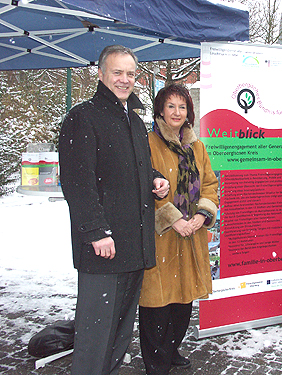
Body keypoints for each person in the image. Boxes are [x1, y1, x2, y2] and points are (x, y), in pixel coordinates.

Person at [58, 45, 169, 375]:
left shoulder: (134, 121)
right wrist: (96, 232)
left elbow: (135, 168)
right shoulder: (82, 117)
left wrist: (156, 180)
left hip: (134, 246)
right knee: (95, 336)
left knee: (119, 333)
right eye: (117, 72)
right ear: (101, 73)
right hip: (104, 248)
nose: (124, 80)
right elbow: (78, 183)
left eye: (130, 73)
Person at [138, 84, 219, 375]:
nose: (176, 112)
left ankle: (172, 349)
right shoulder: (147, 142)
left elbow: (210, 183)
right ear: (160, 109)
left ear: (189, 112)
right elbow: (143, 187)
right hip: (161, 235)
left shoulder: (196, 146)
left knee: (184, 297)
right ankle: (156, 361)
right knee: (157, 301)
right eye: (170, 106)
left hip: (192, 233)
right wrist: (174, 219)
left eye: (182, 107)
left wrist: (202, 215)